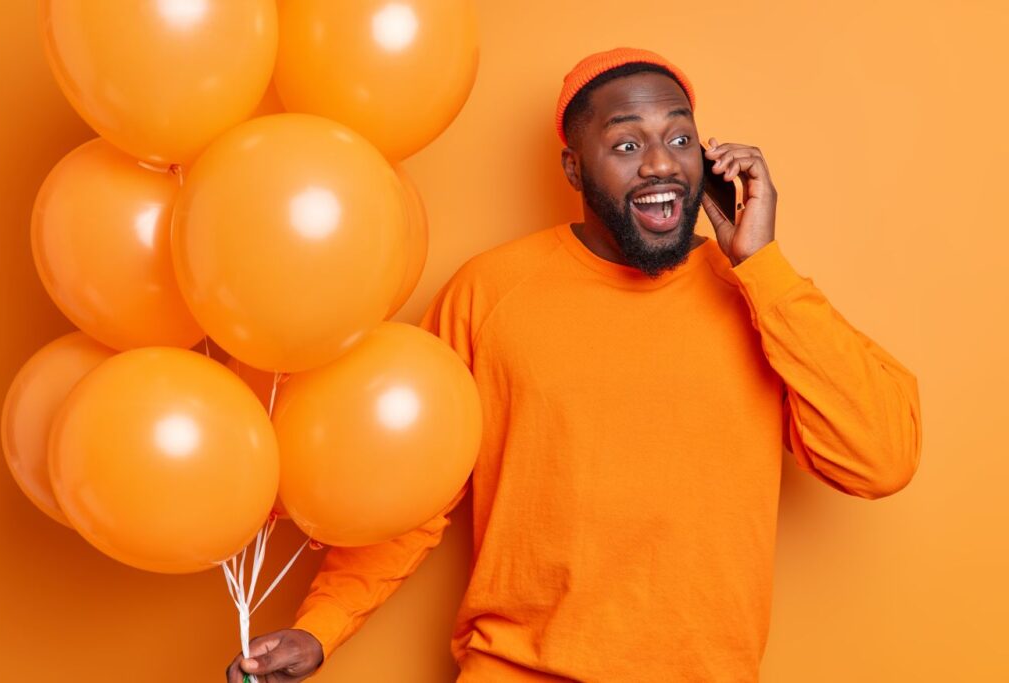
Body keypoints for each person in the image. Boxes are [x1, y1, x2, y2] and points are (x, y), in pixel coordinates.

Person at [226, 47, 922, 682]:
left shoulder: (761, 299)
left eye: (680, 138)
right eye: (626, 143)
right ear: (573, 168)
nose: (659, 162)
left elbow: (881, 457)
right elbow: (412, 493)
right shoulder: (487, 294)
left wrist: (761, 266)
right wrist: (321, 627)